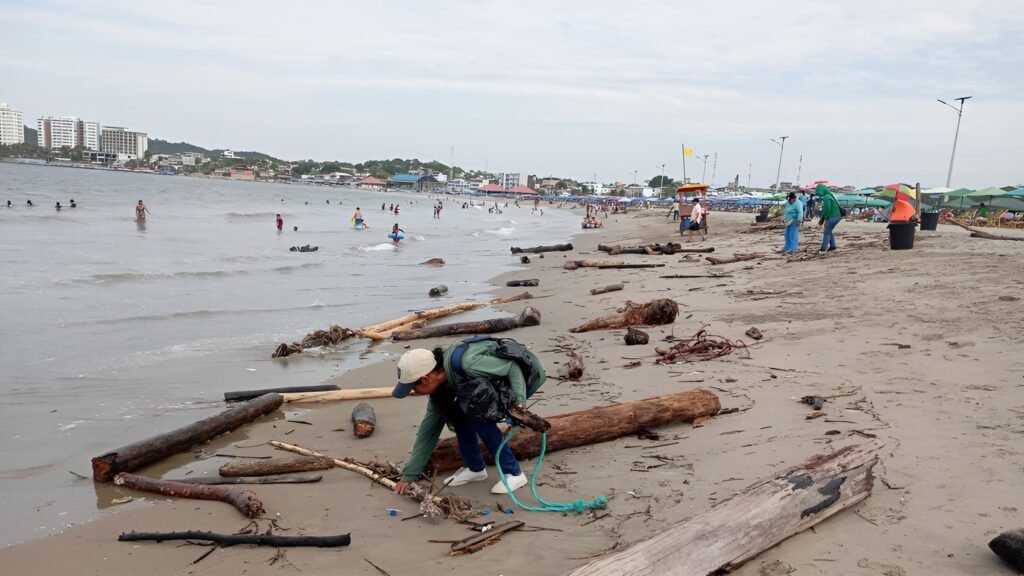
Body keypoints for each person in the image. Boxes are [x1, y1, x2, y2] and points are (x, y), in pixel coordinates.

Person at [390, 339, 547, 496]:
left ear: (426, 379)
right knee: (456, 411)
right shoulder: (441, 388)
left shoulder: (467, 364)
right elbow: (429, 429)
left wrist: (519, 406)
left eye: (413, 388)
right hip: (495, 382)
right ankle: (475, 468)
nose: (414, 392)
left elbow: (512, 368)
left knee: (478, 416)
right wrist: (410, 473)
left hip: (523, 377)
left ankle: (514, 473)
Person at [815, 183, 842, 253]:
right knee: (829, 231)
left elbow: (827, 210)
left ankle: (823, 249)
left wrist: (825, 219)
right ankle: (833, 247)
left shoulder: (827, 197)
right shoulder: (830, 195)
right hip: (837, 216)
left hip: (834, 216)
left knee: (826, 232)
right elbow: (826, 211)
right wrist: (821, 221)